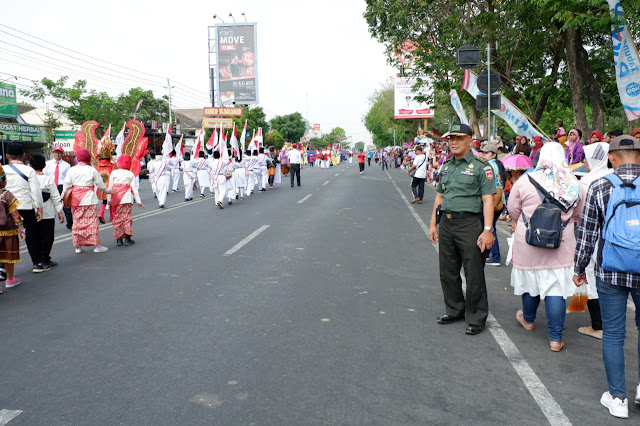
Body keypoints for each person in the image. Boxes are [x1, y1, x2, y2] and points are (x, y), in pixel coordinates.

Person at [574, 135, 640, 419]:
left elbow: (587, 235)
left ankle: (618, 398)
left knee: (613, 333)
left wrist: (578, 269)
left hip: (610, 271)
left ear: (611, 157)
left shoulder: (600, 185)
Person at [508, 142, 585, 352]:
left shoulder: (524, 181)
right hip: (562, 243)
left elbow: (513, 210)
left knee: (530, 280)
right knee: (556, 289)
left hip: (529, 242)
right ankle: (555, 339)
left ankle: (529, 319)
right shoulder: (574, 184)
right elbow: (579, 212)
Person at [428, 124, 496, 335]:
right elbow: (439, 196)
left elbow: (488, 200)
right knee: (447, 271)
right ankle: (455, 309)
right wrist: (433, 224)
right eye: (451, 139)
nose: (454, 142)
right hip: (447, 223)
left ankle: (476, 317)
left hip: (469, 225)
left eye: (459, 138)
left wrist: (487, 230)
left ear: (470, 140)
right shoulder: (446, 166)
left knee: (473, 272)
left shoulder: (481, 167)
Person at [576, 142, 612, 340]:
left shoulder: (587, 181)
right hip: (613, 236)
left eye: (586, 158)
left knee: (587, 272)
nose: (583, 162)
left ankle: (598, 325)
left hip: (593, 233)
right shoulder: (614, 176)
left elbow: (581, 212)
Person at [4, 143, 46, 273]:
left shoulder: (2, 169)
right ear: (23, 155)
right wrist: (39, 208)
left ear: (7, 156)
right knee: (31, 235)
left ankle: (2, 269)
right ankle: (37, 263)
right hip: (25, 206)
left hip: (6, 208)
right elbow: (35, 191)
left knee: (4, 237)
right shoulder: (29, 171)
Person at [62, 148, 113, 253]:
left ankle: (78, 246)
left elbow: (66, 186)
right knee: (91, 222)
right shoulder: (92, 170)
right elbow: (100, 185)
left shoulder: (72, 170)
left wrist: (62, 197)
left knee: (77, 222)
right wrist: (108, 191)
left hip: (76, 199)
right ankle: (97, 246)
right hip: (89, 198)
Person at [30, 153, 64, 269]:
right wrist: (60, 211)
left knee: (35, 238)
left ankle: (37, 261)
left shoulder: (28, 180)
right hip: (47, 213)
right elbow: (55, 196)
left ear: (29, 165)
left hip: (32, 213)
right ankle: (45, 259)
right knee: (47, 238)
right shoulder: (48, 179)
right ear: (44, 165)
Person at [0, 164, 26, 291]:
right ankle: (10, 280)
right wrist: (22, 230)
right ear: (2, 181)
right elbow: (15, 215)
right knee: (8, 256)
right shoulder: (7, 195)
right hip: (8, 230)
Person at [108, 155, 144, 246]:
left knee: (117, 218)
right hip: (127, 198)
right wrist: (138, 201)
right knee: (126, 218)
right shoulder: (130, 174)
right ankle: (127, 238)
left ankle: (119, 239)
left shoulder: (114, 173)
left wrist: (108, 199)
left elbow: (110, 187)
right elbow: (135, 189)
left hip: (116, 197)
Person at [479, 143, 505, 266]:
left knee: (490, 227)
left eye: (486, 153)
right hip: (499, 199)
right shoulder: (497, 165)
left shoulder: (489, 166)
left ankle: (495, 256)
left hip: (493, 199)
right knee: (490, 226)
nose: (483, 155)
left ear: (494, 154)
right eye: (483, 152)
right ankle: (489, 252)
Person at [44, 145, 72, 228]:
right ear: (53, 153)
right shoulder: (47, 164)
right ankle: (49, 224)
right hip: (50, 186)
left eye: (59, 153)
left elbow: (68, 178)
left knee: (66, 206)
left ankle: (70, 223)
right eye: (56, 152)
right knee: (49, 206)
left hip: (62, 186)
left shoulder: (66, 165)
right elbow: (44, 175)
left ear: (62, 154)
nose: (57, 154)